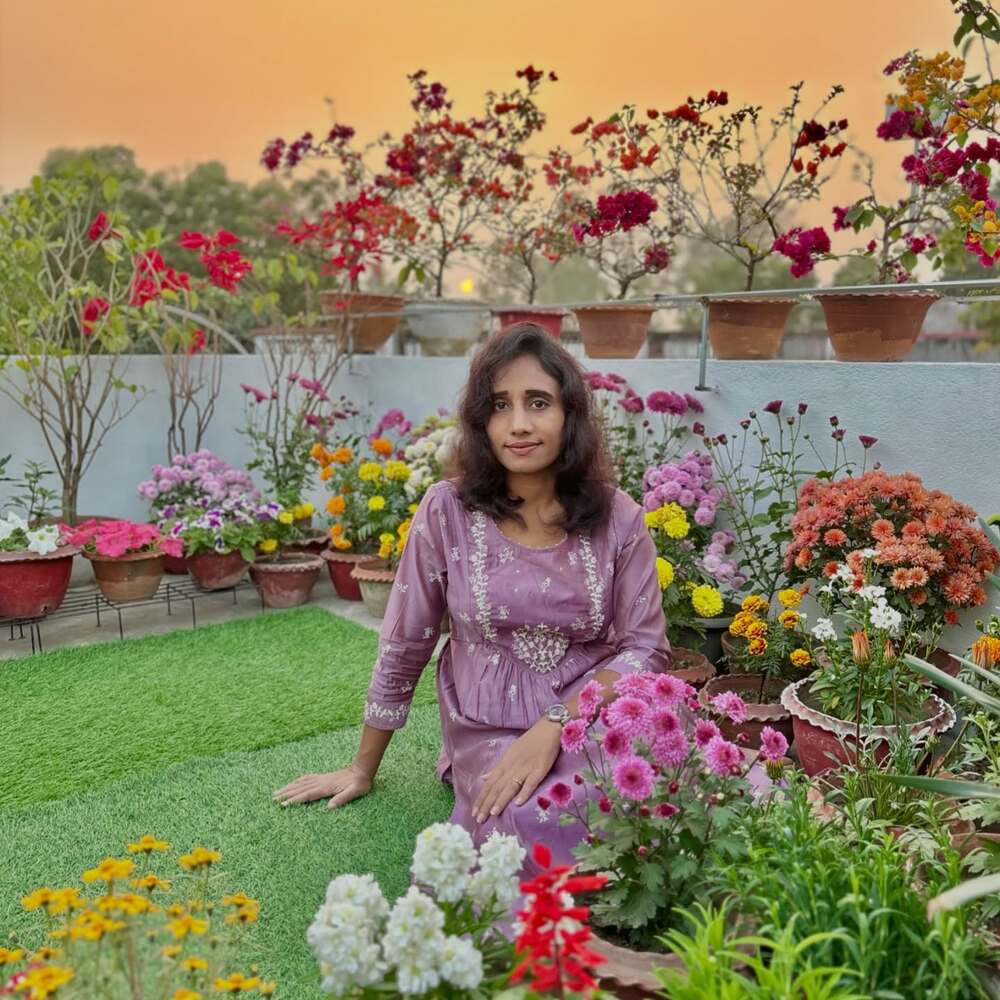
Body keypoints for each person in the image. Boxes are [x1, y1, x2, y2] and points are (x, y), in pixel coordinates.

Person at [273, 323, 671, 875]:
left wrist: (556, 724)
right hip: (490, 725)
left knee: (669, 782)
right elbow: (406, 641)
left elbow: (645, 649)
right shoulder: (448, 512)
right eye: (500, 405)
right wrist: (362, 768)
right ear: (481, 421)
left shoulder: (617, 516)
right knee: (542, 819)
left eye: (538, 403)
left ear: (570, 415)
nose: (520, 425)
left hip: (592, 711)